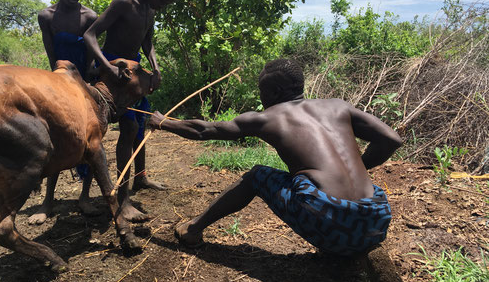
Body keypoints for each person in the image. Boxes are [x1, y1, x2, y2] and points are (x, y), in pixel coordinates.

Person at [148, 59, 402, 256]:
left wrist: (164, 123)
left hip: (332, 226)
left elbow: (205, 130)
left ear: (276, 90)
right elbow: (391, 139)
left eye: (262, 90)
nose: (261, 96)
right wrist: (362, 165)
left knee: (257, 176)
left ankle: (192, 230)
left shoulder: (269, 117)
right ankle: (346, 242)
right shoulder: (338, 106)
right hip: (375, 222)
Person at [83, 0, 182, 221]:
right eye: (161, 1)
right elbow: (90, 35)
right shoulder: (124, 2)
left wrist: (156, 66)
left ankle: (137, 182)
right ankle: (121, 199)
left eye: (164, 4)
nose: (161, 7)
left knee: (135, 127)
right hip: (111, 75)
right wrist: (107, 67)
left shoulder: (151, 7)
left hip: (132, 76)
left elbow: (147, 41)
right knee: (119, 129)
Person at [30, 0, 99, 225]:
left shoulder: (89, 17)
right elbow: (52, 57)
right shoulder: (46, 17)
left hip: (83, 83)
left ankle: (85, 196)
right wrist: (56, 86)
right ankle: (48, 201)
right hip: (59, 84)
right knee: (56, 141)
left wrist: (90, 84)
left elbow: (92, 59)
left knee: (91, 140)